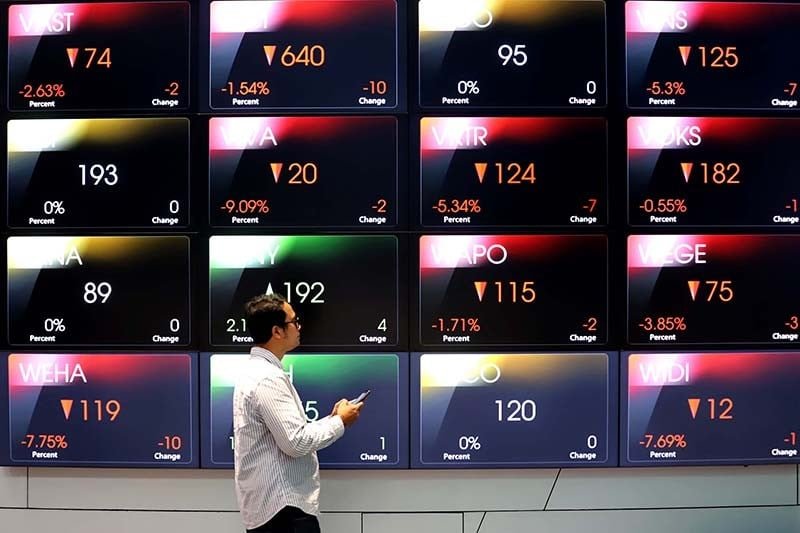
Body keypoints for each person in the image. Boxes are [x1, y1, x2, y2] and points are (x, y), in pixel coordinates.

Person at [233, 293, 363, 532]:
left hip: (275, 509)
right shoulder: (267, 378)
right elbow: (296, 442)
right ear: (277, 331)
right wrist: (340, 422)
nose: (299, 327)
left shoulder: (258, 372)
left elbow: (288, 433)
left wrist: (332, 419)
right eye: (294, 321)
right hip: (283, 510)